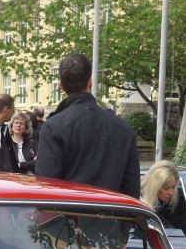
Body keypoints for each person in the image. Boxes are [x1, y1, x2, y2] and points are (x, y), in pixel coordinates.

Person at [35, 52, 140, 198]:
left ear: (61, 86)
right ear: (90, 83)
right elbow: (131, 190)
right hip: (112, 217)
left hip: (68, 217)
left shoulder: (54, 127)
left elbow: (45, 188)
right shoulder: (123, 129)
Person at [141, 160, 186, 240]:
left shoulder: (180, 205)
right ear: (154, 186)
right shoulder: (136, 203)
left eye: (173, 187)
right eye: (166, 188)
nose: (171, 192)